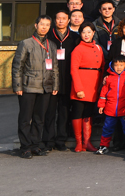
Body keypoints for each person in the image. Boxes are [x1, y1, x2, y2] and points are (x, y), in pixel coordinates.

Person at [12, 15, 60, 158]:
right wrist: (17, 86)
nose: (44, 27)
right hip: (28, 87)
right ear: (36, 25)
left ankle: (35, 145)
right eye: (42, 24)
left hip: (45, 87)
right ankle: (25, 147)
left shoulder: (51, 45)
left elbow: (55, 67)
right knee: (25, 118)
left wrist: (55, 84)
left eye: (47, 25)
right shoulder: (25, 43)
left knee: (40, 119)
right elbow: (17, 67)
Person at [43, 10, 78, 152]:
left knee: (64, 112)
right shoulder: (48, 36)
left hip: (68, 80)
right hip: (51, 79)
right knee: (50, 112)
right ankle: (48, 140)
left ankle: (61, 140)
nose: (61, 21)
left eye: (64, 18)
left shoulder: (75, 37)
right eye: (58, 18)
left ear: (68, 20)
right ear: (54, 20)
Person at [70, 23, 105, 153]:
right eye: (84, 32)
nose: (86, 35)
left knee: (88, 114)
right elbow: (73, 69)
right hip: (81, 84)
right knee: (78, 112)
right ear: (80, 34)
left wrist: (101, 85)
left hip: (94, 85)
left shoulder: (98, 48)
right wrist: (78, 88)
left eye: (89, 32)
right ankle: (79, 142)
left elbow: (102, 67)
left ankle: (87, 142)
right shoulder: (78, 49)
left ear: (93, 33)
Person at [96, 55, 125, 155]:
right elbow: (104, 93)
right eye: (116, 65)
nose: (118, 67)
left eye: (121, 65)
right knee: (107, 128)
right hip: (110, 109)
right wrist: (101, 105)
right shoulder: (109, 78)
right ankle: (103, 146)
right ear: (112, 65)